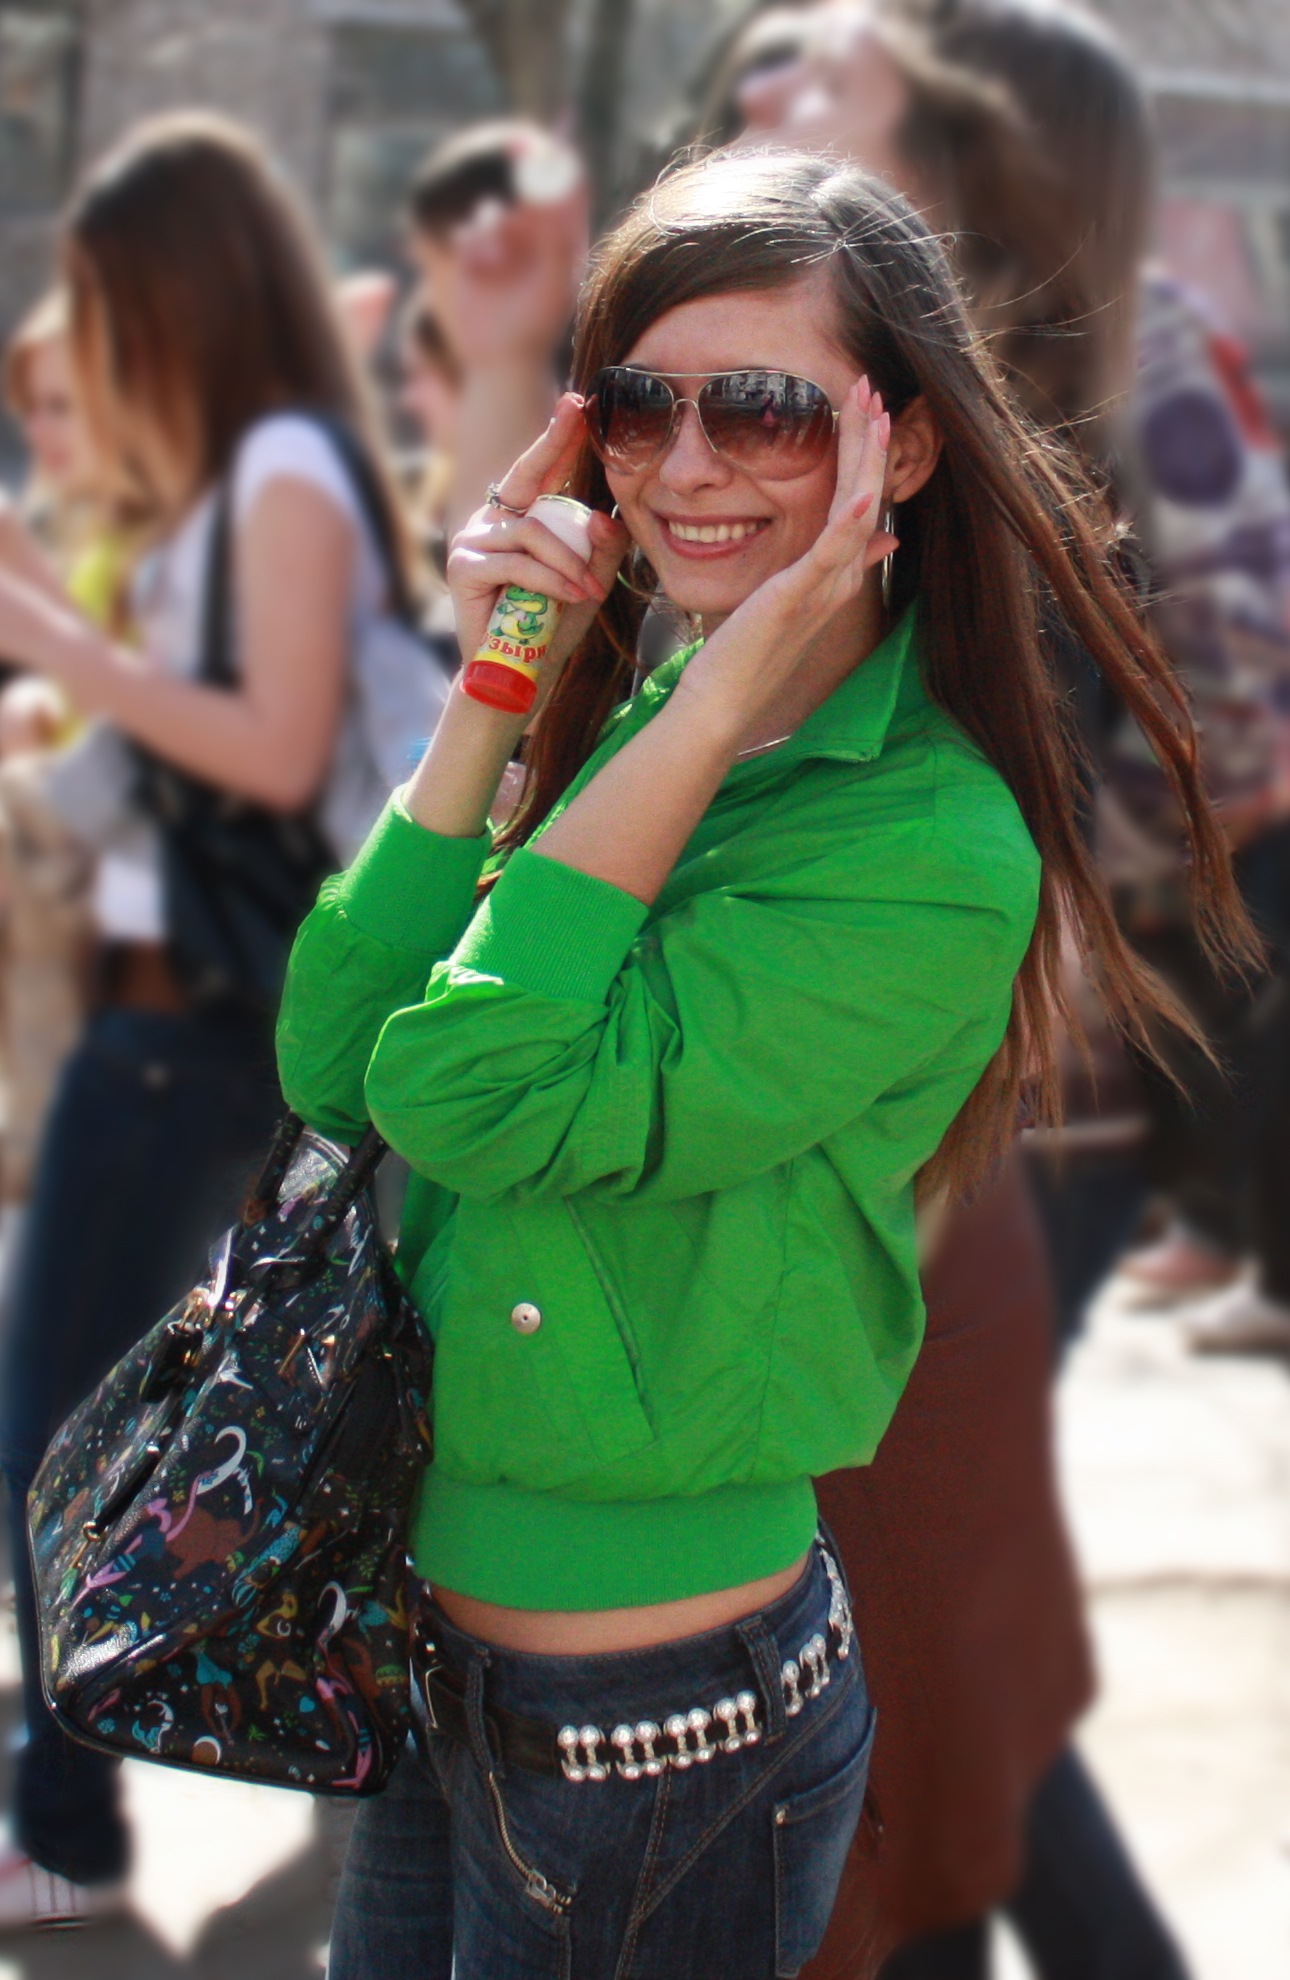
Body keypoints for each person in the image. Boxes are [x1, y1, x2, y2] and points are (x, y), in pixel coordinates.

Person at [277, 147, 1248, 1978]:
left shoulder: (926, 843)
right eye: (638, 406)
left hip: (651, 1724)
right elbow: (334, 1059)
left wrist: (715, 697)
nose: (686, 465)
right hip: (428, 1650)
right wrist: (504, 676)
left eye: (765, 411)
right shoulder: (644, 721)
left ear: (905, 447)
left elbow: (468, 1094)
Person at [733, 7, 1194, 1975]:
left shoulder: (1024, 459)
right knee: (924, 1667)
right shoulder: (866, 409)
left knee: (918, 1665)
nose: (763, 96)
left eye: (832, 79)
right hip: (929, 1129)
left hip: (979, 1143)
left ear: (978, 155)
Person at [0, 111, 418, 1927]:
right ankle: (82, 1798)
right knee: (136, 1425)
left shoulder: (281, 472)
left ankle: (64, 1830)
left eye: (105, 307)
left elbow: (265, 744)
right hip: (191, 1025)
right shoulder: (253, 474)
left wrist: (63, 647)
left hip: (199, 1034)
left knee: (64, 1433)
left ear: (172, 294)